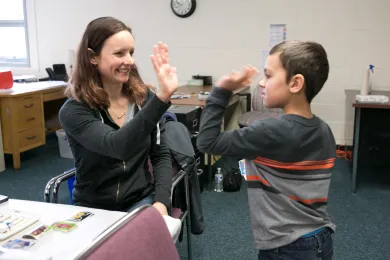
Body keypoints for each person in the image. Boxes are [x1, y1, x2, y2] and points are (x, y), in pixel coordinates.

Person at [196, 40, 336, 259]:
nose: (262, 83)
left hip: (286, 247)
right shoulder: (324, 130)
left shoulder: (268, 131)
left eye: (269, 76)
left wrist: (221, 92)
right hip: (322, 239)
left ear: (295, 83)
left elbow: (206, 142)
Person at [59, 16, 178, 216]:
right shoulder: (74, 110)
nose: (129, 61)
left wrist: (161, 202)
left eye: (131, 52)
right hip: (93, 208)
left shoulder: (144, 100)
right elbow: (118, 146)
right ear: (92, 57)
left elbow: (160, 155)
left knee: (147, 242)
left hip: (140, 200)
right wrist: (161, 99)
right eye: (119, 53)